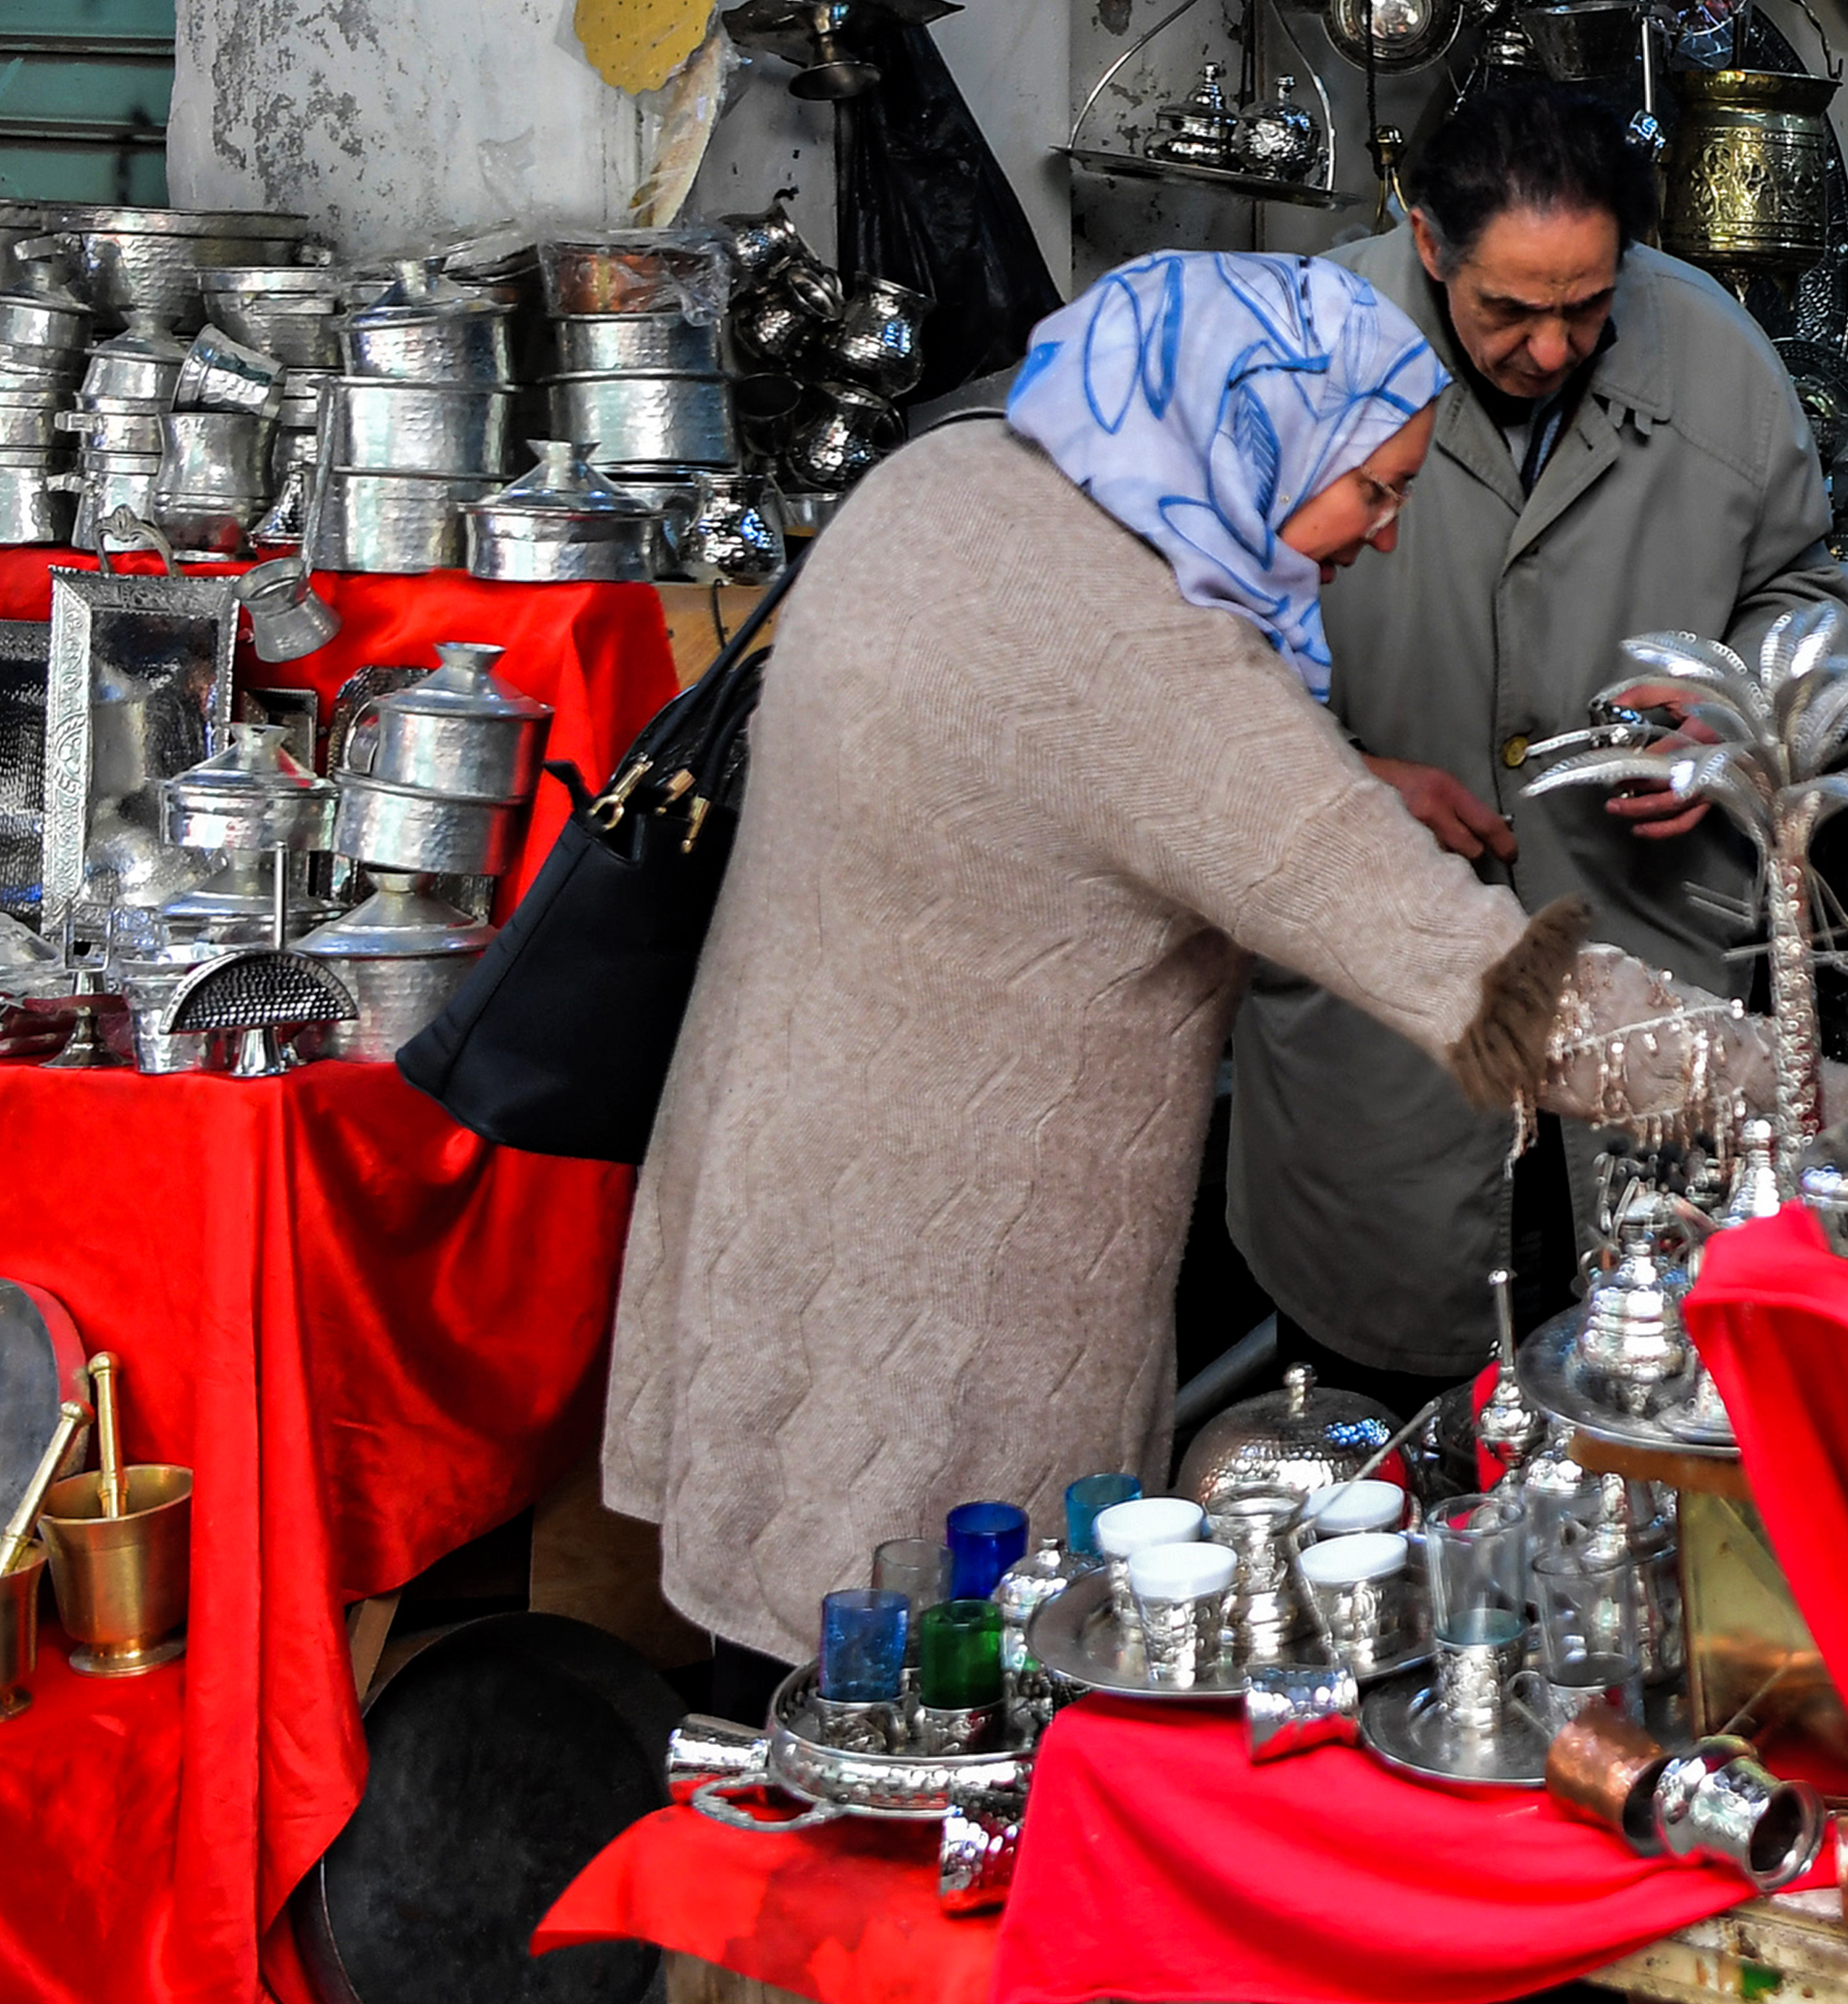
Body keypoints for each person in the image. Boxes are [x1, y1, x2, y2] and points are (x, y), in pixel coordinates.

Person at [603, 251, 1751, 1664]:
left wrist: (1328, 783)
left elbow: (1018, 778)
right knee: (935, 1722)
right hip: (949, 1326)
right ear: (1254, 433)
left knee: (783, 1716)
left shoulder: (953, 477)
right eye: (1374, 487)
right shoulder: (1154, 662)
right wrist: (1789, 1087)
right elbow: (1479, 982)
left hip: (767, 1210)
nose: (1387, 533)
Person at [1223, 80, 1848, 1413]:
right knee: (1390, 1431)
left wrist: (1738, 704)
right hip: (1383, 1012)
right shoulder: (1288, 360)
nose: (1553, 349)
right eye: (1509, 308)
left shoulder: (1717, 359)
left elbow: (1811, 589)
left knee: (1657, 1391)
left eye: (1586, 305)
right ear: (1427, 240)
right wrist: (1338, 777)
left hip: (1648, 945)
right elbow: (1182, 643)